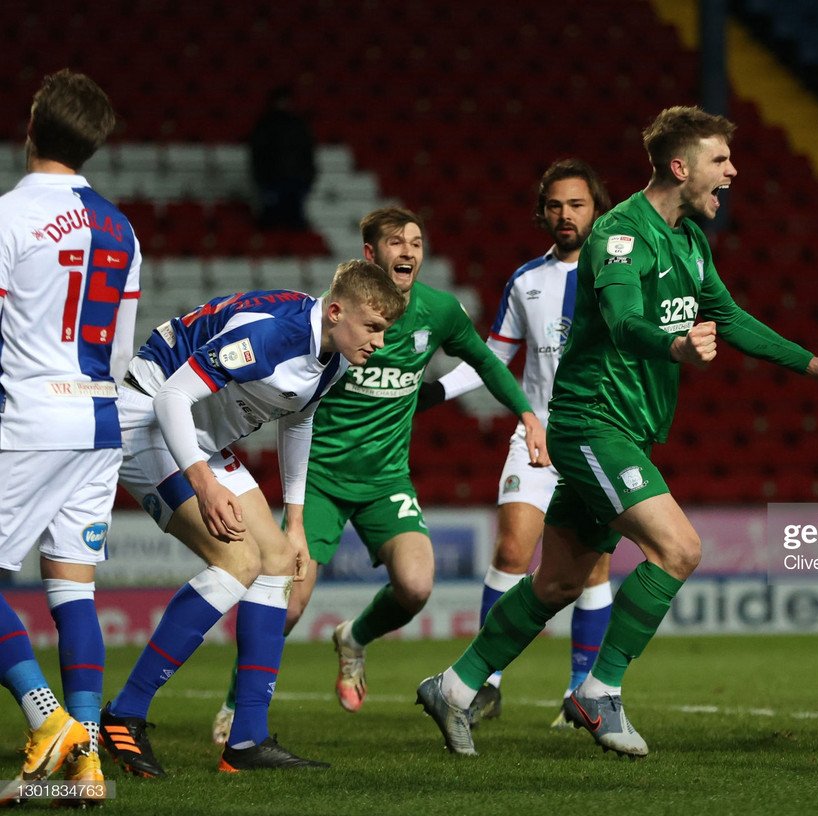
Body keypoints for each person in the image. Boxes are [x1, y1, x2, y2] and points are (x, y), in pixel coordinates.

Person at [415, 105, 818, 758]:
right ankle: (601, 691)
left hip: (629, 428)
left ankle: (454, 686)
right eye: (720, 161)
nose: (732, 173)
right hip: (593, 424)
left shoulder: (689, 241)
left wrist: (810, 364)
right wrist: (674, 348)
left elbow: (726, 317)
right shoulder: (620, 235)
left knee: (558, 582)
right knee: (679, 549)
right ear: (681, 166)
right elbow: (622, 322)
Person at [210, 207, 546, 742]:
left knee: (416, 586)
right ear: (371, 254)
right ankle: (235, 703)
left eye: (416, 241)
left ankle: (353, 638)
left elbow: (485, 362)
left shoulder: (439, 311)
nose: (409, 250)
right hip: (320, 476)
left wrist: (527, 416)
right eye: (396, 242)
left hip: (386, 478)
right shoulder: (342, 319)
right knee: (291, 601)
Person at [99, 261, 405, 777]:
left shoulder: (333, 356)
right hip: (146, 413)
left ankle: (246, 740)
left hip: (198, 434)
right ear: (335, 311)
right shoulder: (270, 335)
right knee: (237, 560)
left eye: (384, 331)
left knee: (281, 561)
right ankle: (124, 714)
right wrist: (204, 483)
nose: (379, 341)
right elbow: (174, 395)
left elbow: (299, 421)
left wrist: (297, 520)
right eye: (373, 327)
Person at [419, 159, 613, 728]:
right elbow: (493, 359)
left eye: (576, 204)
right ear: (542, 212)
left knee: (594, 571)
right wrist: (434, 390)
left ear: (595, 208)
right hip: (539, 435)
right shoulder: (528, 280)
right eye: (554, 205)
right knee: (511, 550)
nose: (565, 215)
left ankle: (580, 693)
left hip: (600, 439)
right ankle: (485, 682)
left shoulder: (621, 274)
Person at [0, 69, 138, 806]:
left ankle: (46, 717)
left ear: (32, 125)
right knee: (72, 593)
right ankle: (84, 767)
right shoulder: (122, 227)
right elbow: (119, 346)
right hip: (99, 417)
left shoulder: (8, 217)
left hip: (28, 415)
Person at [249, 85, 316, 231]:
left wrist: (308, 176)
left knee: (295, 224)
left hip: (296, 179)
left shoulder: (298, 124)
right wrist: (261, 178)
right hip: (272, 179)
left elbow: (307, 152)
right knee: (270, 222)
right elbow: (257, 154)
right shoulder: (265, 124)